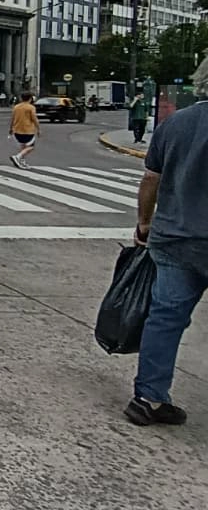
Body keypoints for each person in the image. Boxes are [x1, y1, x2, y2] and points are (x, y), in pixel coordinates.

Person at [125, 57, 208, 426]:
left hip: (174, 237)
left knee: (165, 318)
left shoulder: (175, 123)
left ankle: (149, 397)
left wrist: (144, 224)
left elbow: (150, 180)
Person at [9, 92, 40, 169]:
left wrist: (11, 128)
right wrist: (38, 129)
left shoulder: (16, 107)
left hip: (17, 130)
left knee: (23, 146)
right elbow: (34, 119)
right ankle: (17, 157)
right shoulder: (31, 107)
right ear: (30, 98)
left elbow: (13, 118)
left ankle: (22, 161)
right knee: (31, 147)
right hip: (28, 130)